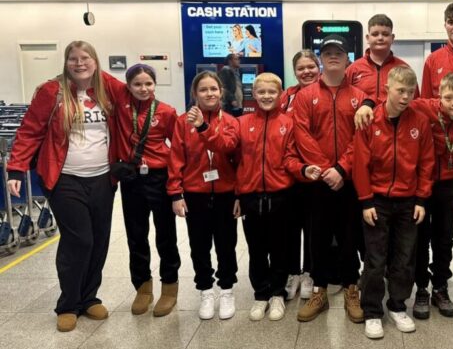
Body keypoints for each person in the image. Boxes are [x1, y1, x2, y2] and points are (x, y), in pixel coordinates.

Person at [354, 73, 453, 319]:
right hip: (417, 188)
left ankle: (440, 286)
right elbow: (390, 99)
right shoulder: (422, 107)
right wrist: (366, 104)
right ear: (438, 96)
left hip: (447, 186)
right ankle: (421, 288)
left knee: (444, 239)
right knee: (417, 241)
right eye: (448, 97)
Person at [7, 40, 119, 332]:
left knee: (99, 239)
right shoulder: (51, 91)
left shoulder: (107, 88)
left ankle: (89, 298)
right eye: (73, 58)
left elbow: (137, 95)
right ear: (66, 62)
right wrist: (16, 168)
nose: (79, 63)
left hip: (102, 178)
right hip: (64, 178)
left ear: (95, 61)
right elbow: (30, 130)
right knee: (78, 240)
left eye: (85, 58)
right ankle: (68, 304)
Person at [353, 66, 435, 339]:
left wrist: (421, 198)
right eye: (400, 91)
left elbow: (426, 163)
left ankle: (398, 305)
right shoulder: (369, 120)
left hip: (408, 201)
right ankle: (372, 311)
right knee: (375, 259)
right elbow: (360, 164)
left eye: (410, 92)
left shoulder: (420, 121)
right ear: (387, 89)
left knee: (405, 257)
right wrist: (366, 201)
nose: (405, 97)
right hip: (376, 201)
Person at [233, 73, 321, 321]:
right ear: (254, 94)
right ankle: (261, 294)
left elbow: (290, 158)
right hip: (251, 197)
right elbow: (235, 160)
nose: (266, 96)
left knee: (281, 248)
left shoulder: (288, 123)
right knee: (256, 250)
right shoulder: (242, 123)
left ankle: (277, 294)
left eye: (271, 92)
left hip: (282, 196)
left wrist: (303, 170)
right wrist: (238, 194)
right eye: (261, 92)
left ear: (281, 94)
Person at [292, 34, 366, 324]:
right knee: (318, 237)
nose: (333, 56)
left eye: (339, 52)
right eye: (327, 52)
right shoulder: (305, 96)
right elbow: (302, 134)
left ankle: (351, 288)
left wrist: (342, 169)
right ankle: (319, 290)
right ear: (321, 59)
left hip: (349, 180)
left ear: (347, 59)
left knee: (350, 236)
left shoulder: (359, 97)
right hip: (319, 181)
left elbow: (362, 137)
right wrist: (326, 170)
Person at [167, 71, 239, 321]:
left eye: (213, 89)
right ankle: (206, 290)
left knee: (226, 244)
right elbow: (176, 158)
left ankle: (227, 289)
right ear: (194, 94)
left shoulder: (230, 121)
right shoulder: (181, 122)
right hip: (195, 193)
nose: (209, 94)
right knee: (199, 246)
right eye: (203, 89)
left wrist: (239, 194)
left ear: (221, 91)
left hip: (225, 193)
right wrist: (175, 193)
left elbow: (231, 150)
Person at [112, 64, 181, 317]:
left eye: (148, 83)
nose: (144, 89)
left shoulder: (166, 111)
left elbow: (178, 148)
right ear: (128, 86)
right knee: (136, 234)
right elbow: (102, 79)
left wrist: (177, 185)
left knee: (166, 235)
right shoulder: (120, 108)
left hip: (159, 178)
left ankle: (169, 287)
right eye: (137, 84)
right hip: (131, 178)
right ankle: (142, 287)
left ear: (155, 84)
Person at [280, 50, 320, 301]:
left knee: (313, 227)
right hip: (291, 171)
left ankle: (310, 273)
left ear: (319, 67)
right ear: (294, 72)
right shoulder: (286, 97)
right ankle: (292, 272)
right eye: (301, 68)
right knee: (291, 226)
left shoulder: (327, 93)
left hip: (316, 172)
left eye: (311, 67)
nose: (306, 72)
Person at [345, 13, 418, 106]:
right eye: (375, 34)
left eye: (385, 34)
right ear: (368, 38)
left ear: (392, 38)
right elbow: (344, 101)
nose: (380, 38)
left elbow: (415, 102)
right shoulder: (353, 69)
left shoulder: (404, 68)